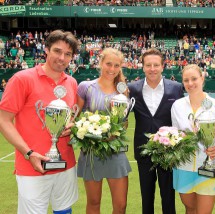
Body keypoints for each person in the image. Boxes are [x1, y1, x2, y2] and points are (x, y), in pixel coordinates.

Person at [0, 30, 79, 214]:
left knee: (64, 211)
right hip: (32, 166)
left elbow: (70, 119)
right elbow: (3, 120)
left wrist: (73, 127)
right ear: (46, 50)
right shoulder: (22, 79)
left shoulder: (72, 83)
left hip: (65, 163)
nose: (62, 57)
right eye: (57, 51)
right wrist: (29, 153)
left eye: (68, 54)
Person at [128, 48, 184, 214]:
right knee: (146, 196)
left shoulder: (176, 88)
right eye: (148, 65)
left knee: (168, 196)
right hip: (143, 150)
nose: (152, 68)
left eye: (156, 65)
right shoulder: (132, 88)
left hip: (168, 150)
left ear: (162, 66)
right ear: (143, 67)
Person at [76, 47, 132, 214]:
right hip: (91, 152)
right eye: (108, 64)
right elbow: (76, 118)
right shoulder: (86, 86)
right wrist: (91, 132)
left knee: (121, 206)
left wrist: (115, 131)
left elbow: (124, 123)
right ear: (100, 63)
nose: (112, 69)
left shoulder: (123, 91)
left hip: (116, 151)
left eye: (116, 65)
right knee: (93, 203)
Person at [171, 64, 215, 214]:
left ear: (202, 78)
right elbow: (176, 133)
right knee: (190, 209)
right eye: (186, 80)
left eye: (194, 79)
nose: (190, 83)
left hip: (209, 165)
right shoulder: (177, 106)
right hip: (184, 166)